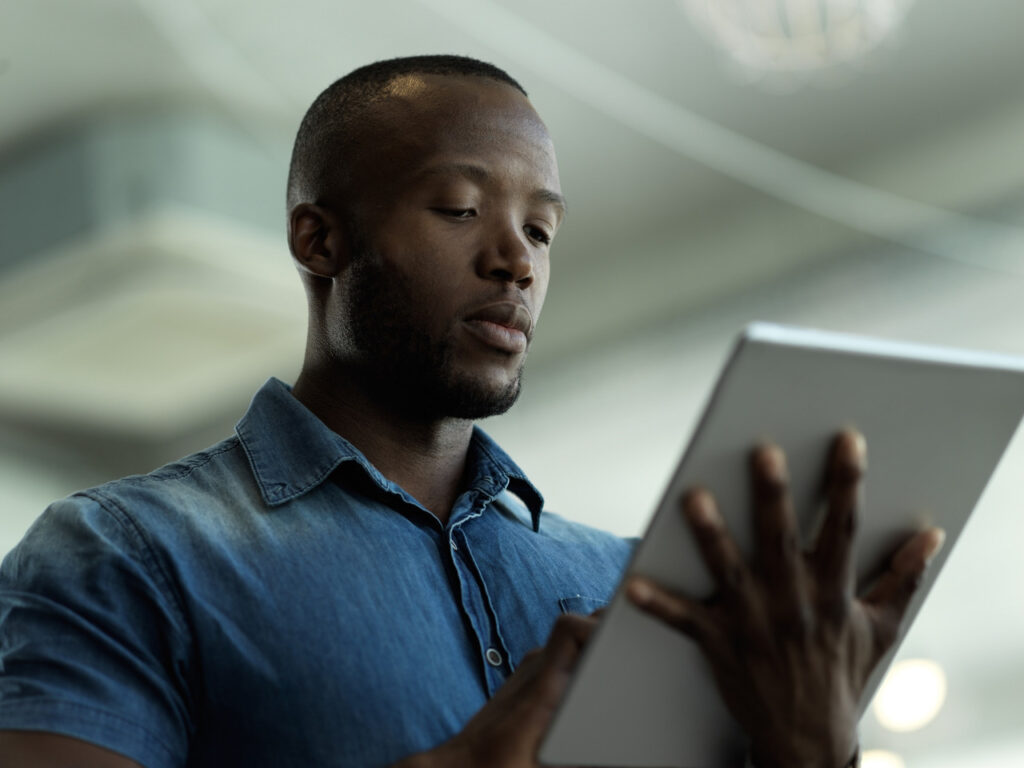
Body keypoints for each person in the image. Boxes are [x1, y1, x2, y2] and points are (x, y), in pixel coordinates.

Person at [0, 55, 943, 768]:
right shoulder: (126, 556)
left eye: (540, 228)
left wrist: (813, 747)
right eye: (459, 209)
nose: (517, 261)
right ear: (319, 239)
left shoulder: (638, 587)